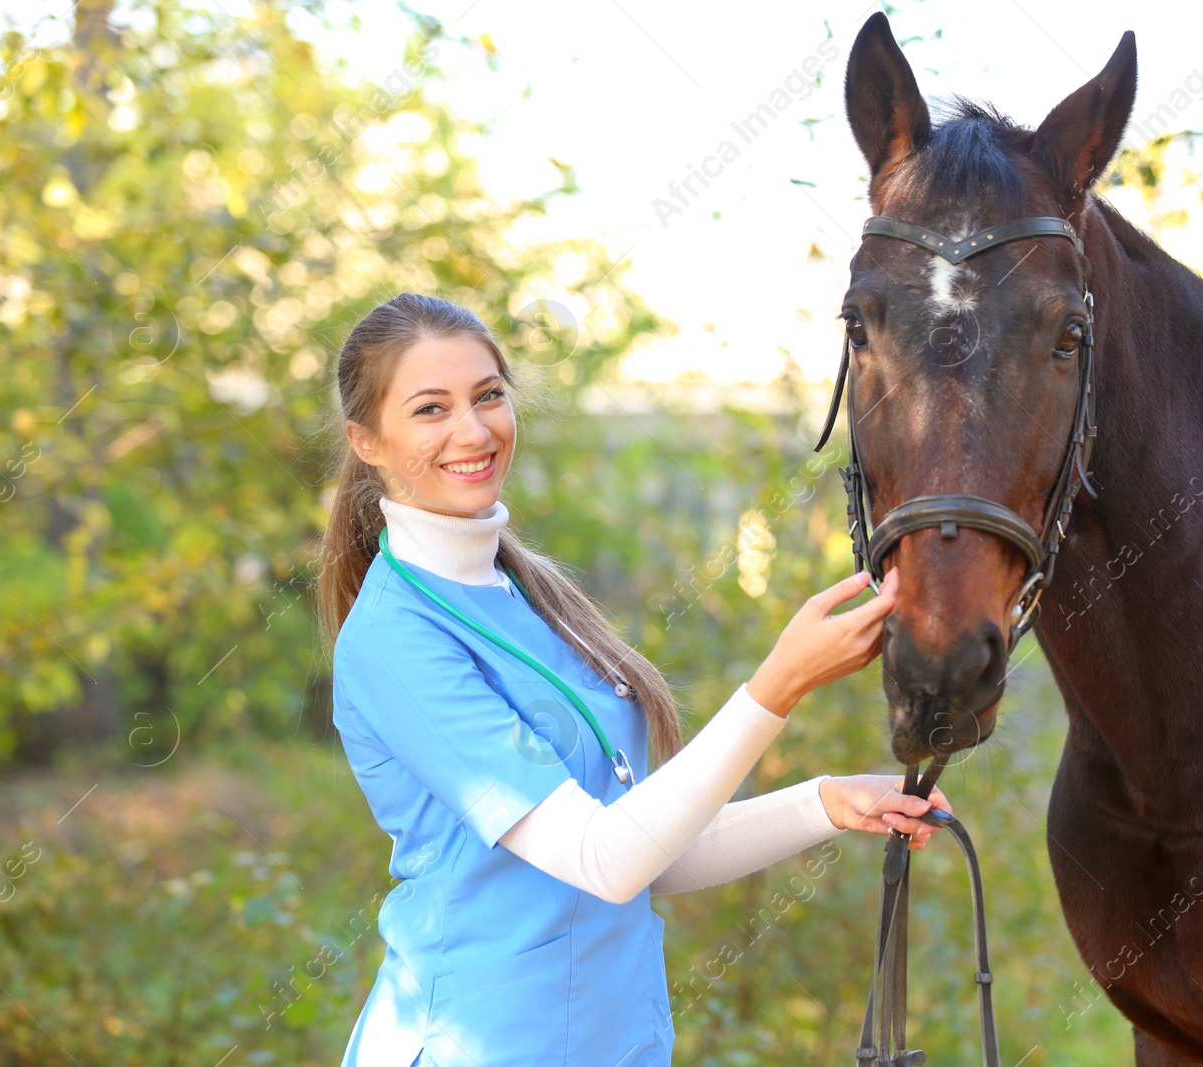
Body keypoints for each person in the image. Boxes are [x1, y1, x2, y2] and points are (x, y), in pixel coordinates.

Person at [317, 293, 951, 1067]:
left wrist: (823, 802)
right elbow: (605, 859)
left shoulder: (526, 597)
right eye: (429, 408)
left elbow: (644, 845)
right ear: (366, 439)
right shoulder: (395, 642)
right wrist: (778, 685)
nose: (473, 430)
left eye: (488, 395)